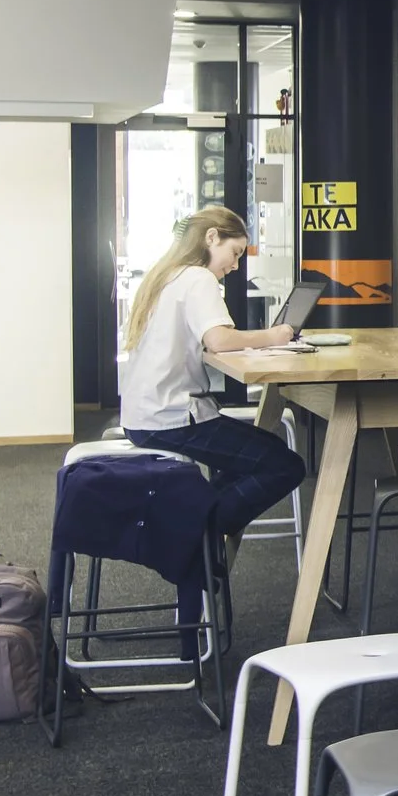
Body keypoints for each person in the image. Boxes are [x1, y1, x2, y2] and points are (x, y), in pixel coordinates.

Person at [119, 205, 308, 552]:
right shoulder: (197, 278)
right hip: (171, 418)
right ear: (211, 237)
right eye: (234, 253)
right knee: (285, 466)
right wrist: (272, 336)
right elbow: (218, 339)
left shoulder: (168, 275)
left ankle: (201, 540)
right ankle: (196, 533)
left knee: (240, 466)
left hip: (143, 415)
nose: (235, 266)